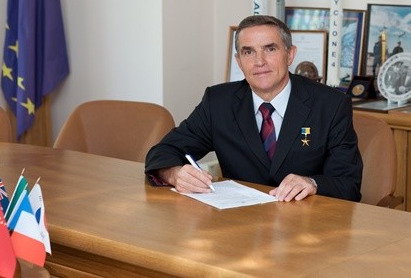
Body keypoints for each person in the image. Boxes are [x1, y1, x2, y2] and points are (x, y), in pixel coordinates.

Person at [144, 15, 363, 202]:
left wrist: (312, 183)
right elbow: (163, 152)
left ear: (290, 54)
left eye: (270, 49)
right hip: (239, 223)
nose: (259, 61)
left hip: (307, 225)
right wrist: (174, 174)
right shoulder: (218, 102)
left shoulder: (331, 104)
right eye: (248, 52)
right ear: (239, 61)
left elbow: (348, 184)